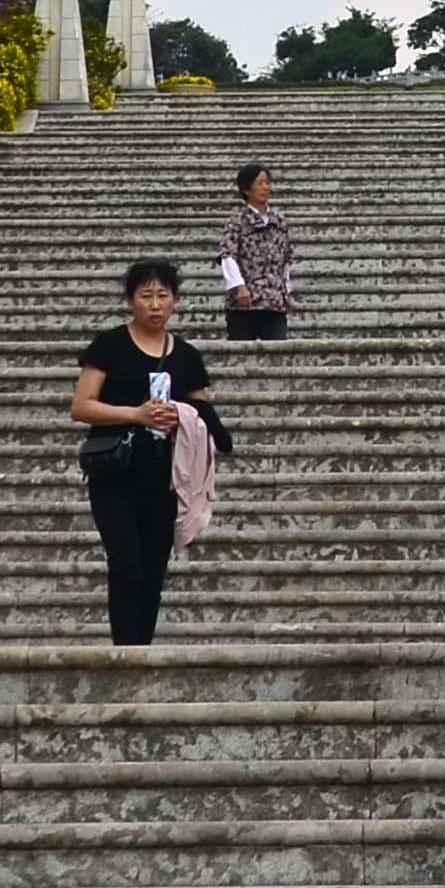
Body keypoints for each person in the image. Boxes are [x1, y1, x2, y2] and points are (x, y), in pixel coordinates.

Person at [69, 257, 219, 647]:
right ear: (131, 301)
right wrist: (135, 414)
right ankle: (125, 652)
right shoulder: (110, 345)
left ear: (176, 301)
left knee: (153, 571)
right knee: (126, 564)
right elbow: (81, 405)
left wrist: (182, 414)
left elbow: (203, 413)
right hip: (116, 474)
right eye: (146, 296)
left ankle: (142, 651)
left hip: (165, 478)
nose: (154, 305)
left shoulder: (187, 356)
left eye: (163, 296)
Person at [221, 165, 298, 341]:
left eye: (267, 183)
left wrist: (286, 291)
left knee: (277, 353)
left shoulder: (279, 221)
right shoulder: (237, 222)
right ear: (247, 189)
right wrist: (239, 287)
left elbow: (286, 259)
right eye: (260, 183)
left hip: (273, 301)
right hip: (245, 303)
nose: (265, 187)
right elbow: (227, 255)